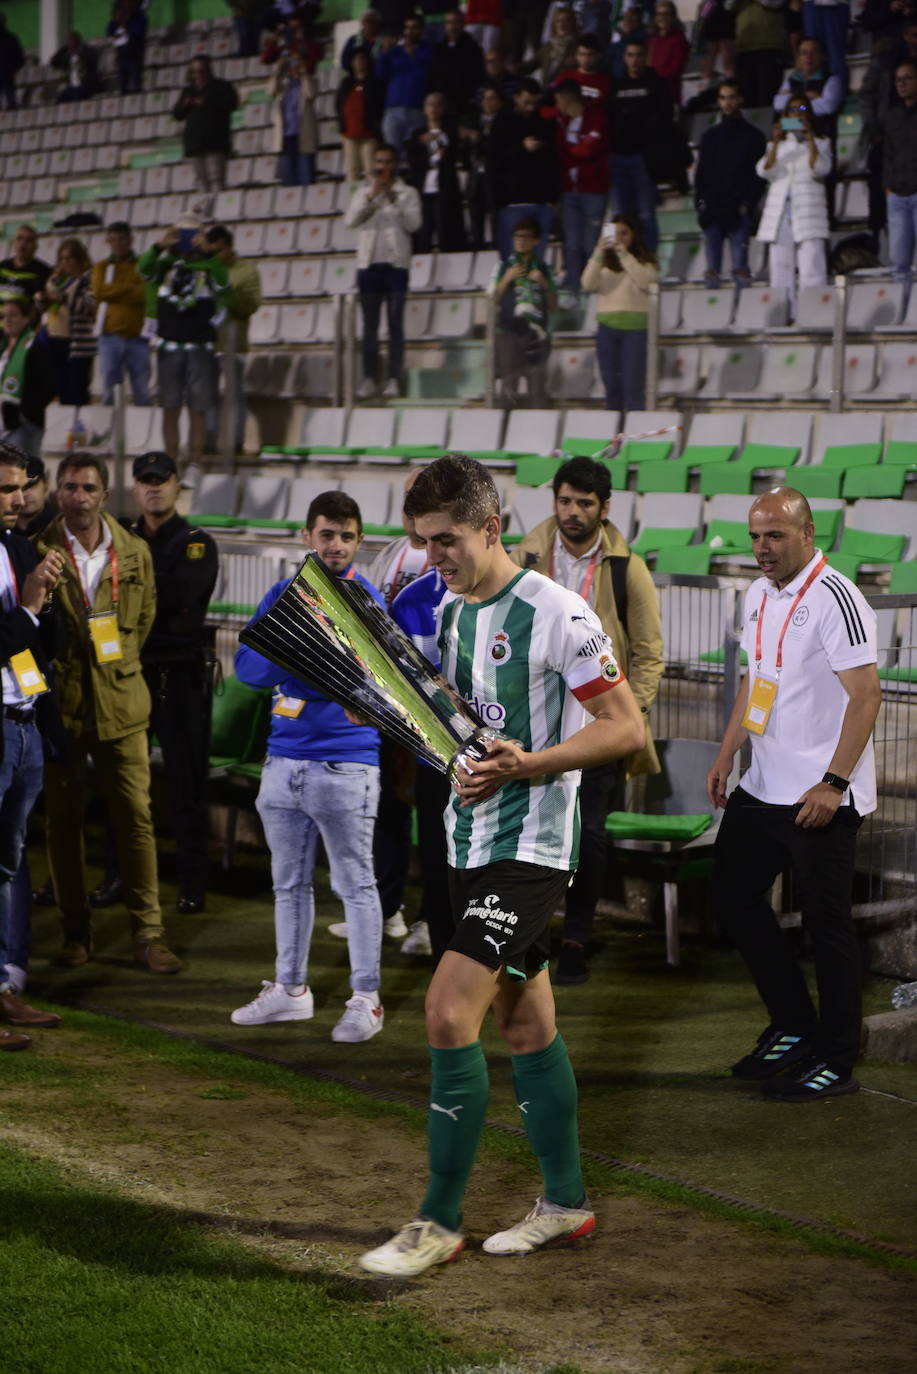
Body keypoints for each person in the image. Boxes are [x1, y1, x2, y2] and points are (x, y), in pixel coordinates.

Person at [359, 454, 645, 1278]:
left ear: (491, 526)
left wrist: (530, 764)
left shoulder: (559, 613)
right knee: (525, 1023)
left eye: (445, 539)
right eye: (420, 541)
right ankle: (565, 1204)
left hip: (531, 847)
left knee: (448, 1012)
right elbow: (425, 710)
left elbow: (624, 728)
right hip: (463, 840)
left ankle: (436, 1221)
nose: (432, 555)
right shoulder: (434, 606)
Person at [707, 487, 880, 1101]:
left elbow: (867, 697)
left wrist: (833, 783)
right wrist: (729, 750)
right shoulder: (759, 594)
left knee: (826, 926)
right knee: (731, 897)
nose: (762, 548)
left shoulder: (838, 599)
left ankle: (836, 1055)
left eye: (775, 536)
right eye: (755, 536)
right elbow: (759, 681)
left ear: (807, 533)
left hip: (819, 795)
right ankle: (794, 1024)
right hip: (763, 784)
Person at [233, 491, 386, 1044]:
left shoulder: (366, 600)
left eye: (347, 536)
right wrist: (298, 645)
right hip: (283, 760)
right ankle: (291, 992)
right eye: (327, 534)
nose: (337, 545)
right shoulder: (282, 594)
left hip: (347, 761)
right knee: (288, 884)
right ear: (307, 536)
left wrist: (293, 662)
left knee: (356, 885)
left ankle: (366, 999)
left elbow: (367, 683)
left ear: (359, 541)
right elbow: (246, 668)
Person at [510, 455, 663, 984]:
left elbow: (649, 655)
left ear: (605, 508)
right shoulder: (526, 556)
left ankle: (577, 936)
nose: (572, 512)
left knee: (589, 834)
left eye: (584, 503)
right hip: (533, 720)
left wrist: (625, 716)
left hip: (595, 727)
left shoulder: (627, 569)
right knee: (529, 828)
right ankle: (531, 933)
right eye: (565, 500)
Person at [35, 455, 181, 975]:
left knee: (136, 821)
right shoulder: (37, 550)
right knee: (63, 824)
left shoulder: (134, 551)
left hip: (123, 705)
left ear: (104, 493)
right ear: (57, 493)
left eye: (88, 487)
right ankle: (76, 934)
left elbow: (141, 625)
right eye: (69, 487)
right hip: (63, 707)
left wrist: (113, 662)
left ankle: (149, 933)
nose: (78, 496)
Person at [130, 453, 219, 914]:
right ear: (134, 487)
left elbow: (185, 600)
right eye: (145, 481)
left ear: (175, 486)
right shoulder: (121, 536)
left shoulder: (196, 542)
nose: (153, 489)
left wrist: (135, 584)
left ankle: (192, 883)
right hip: (132, 671)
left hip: (181, 677)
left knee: (187, 785)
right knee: (124, 785)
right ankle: (117, 878)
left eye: (160, 481)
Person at [0, 442, 67, 1045]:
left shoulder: (17, 547)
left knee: (7, 864)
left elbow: (45, 645)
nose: (19, 498)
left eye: (22, 487)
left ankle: (2, 987)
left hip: (24, 723)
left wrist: (44, 595)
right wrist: (29, 605)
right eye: (5, 489)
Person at [138, 220, 230, 476]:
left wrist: (210, 253)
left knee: (198, 408)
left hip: (200, 346)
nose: (187, 240)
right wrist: (159, 246)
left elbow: (224, 284)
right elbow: (143, 270)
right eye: (182, 235)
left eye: (192, 234)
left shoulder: (210, 266)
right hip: (169, 346)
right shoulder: (165, 265)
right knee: (170, 407)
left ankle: (195, 461)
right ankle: (170, 463)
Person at [344, 143, 422, 400]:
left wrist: (394, 202)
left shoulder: (407, 193)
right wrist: (370, 199)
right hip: (368, 267)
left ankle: (393, 379)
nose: (383, 167)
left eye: (388, 162)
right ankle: (368, 378)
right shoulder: (363, 192)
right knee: (369, 326)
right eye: (379, 162)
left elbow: (414, 224)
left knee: (395, 325)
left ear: (395, 165)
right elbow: (350, 221)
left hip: (397, 266)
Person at [756, 94, 831, 305]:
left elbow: (821, 169)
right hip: (781, 212)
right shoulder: (777, 145)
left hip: (808, 211)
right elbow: (764, 171)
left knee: (812, 265)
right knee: (780, 266)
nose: (797, 115)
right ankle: (783, 312)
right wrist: (775, 142)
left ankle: (813, 313)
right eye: (793, 111)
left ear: (810, 115)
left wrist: (809, 140)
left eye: (802, 110)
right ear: (786, 115)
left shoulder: (821, 142)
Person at [695, 79, 767, 287]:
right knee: (711, 274)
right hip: (712, 210)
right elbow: (702, 175)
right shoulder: (709, 137)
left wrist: (747, 205)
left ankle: (742, 314)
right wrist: (701, 205)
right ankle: (712, 318)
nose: (727, 103)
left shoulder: (754, 136)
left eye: (732, 97)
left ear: (740, 99)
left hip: (739, 211)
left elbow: (759, 178)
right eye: (723, 98)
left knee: (741, 272)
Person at [581, 215, 657, 412]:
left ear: (634, 235)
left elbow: (646, 282)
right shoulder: (603, 262)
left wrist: (624, 255)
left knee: (633, 388)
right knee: (611, 389)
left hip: (636, 329)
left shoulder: (646, 261)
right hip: (607, 328)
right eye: (615, 234)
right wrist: (598, 251)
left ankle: (634, 438)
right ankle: (614, 437)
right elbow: (588, 283)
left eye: (624, 233)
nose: (620, 238)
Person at [607, 40, 673, 252]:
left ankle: (649, 263)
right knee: (620, 216)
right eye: (630, 55)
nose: (634, 60)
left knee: (645, 214)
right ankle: (620, 264)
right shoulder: (616, 86)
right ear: (624, 58)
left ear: (645, 57)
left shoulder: (657, 84)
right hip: (618, 158)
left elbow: (665, 118)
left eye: (638, 55)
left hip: (644, 158)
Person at [204, 225, 262, 456]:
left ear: (229, 247)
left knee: (235, 395)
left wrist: (226, 298)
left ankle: (236, 442)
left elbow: (253, 304)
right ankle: (207, 441)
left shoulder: (246, 270)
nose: (216, 256)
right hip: (206, 342)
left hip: (233, 341)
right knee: (205, 395)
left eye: (220, 250)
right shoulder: (203, 269)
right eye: (212, 251)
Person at [488, 78, 561, 260]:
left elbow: (552, 159)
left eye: (534, 103)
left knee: (537, 258)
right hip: (513, 202)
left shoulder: (544, 122)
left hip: (541, 201)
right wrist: (521, 148)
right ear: (516, 97)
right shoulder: (502, 122)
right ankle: (512, 289)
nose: (530, 107)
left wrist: (552, 196)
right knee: (512, 259)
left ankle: (533, 288)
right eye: (526, 102)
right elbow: (495, 159)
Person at [490, 215, 558, 408]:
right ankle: (503, 431)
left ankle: (538, 431)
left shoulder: (544, 269)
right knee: (508, 386)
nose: (520, 241)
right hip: (509, 332)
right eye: (517, 237)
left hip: (536, 334)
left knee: (537, 388)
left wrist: (543, 283)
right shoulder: (502, 267)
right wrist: (506, 279)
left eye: (526, 237)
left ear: (536, 241)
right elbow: (492, 299)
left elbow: (553, 305)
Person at [555, 78, 609, 289]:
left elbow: (591, 150)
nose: (558, 106)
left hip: (594, 190)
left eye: (559, 101)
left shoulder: (596, 117)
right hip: (569, 192)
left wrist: (573, 153)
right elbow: (563, 154)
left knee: (591, 245)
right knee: (572, 246)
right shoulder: (561, 122)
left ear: (567, 100)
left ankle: (592, 289)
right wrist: (576, 151)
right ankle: (574, 291)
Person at [91, 221, 150, 407]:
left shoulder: (142, 264)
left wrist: (114, 291)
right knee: (109, 388)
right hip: (109, 335)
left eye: (122, 239)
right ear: (108, 241)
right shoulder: (102, 266)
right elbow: (99, 292)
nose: (118, 244)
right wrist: (129, 287)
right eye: (113, 239)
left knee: (141, 389)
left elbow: (145, 293)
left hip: (138, 336)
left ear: (130, 240)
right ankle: (109, 431)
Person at [406, 92, 469, 252]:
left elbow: (460, 154)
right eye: (430, 104)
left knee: (446, 230)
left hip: (445, 189)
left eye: (437, 104)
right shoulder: (417, 136)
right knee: (423, 232)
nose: (433, 108)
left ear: (443, 109)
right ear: (424, 109)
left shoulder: (452, 133)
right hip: (424, 190)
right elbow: (413, 161)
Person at [173, 55, 239, 201]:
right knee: (201, 180)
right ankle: (204, 211)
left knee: (216, 179)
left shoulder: (221, 86)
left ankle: (218, 209)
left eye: (201, 71)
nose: (198, 75)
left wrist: (208, 101)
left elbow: (232, 104)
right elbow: (177, 114)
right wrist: (186, 103)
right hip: (194, 143)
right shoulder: (188, 91)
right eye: (194, 72)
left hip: (215, 142)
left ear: (209, 70)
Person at [44, 238, 96, 409]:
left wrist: (64, 297)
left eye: (70, 258)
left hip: (77, 342)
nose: (65, 263)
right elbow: (46, 307)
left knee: (78, 389)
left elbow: (89, 306)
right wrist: (43, 299)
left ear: (80, 259)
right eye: (62, 258)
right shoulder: (57, 280)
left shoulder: (88, 279)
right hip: (55, 336)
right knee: (61, 388)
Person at [0, 300, 56, 459]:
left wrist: (25, 413)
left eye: (13, 315)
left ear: (26, 318)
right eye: (4, 316)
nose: (8, 320)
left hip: (24, 425)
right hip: (3, 423)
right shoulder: (2, 345)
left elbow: (49, 385)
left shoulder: (35, 346)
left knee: (22, 475)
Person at [376, 15, 433, 156]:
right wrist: (384, 52)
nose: (410, 31)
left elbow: (426, 73)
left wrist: (412, 55)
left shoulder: (428, 50)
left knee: (415, 155)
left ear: (421, 30)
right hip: (393, 110)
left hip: (416, 110)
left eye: (414, 28)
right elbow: (380, 75)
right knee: (391, 153)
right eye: (407, 27)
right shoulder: (395, 52)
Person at [882, 60, 917, 287]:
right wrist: (888, 187)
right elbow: (887, 153)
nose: (902, 84)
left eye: (907, 78)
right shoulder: (892, 114)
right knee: (898, 262)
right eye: (898, 80)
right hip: (896, 194)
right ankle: (904, 314)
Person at [460, 82, 505, 249]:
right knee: (475, 214)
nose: (488, 102)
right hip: (476, 174)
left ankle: (497, 247)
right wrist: (467, 140)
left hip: (495, 175)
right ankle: (476, 248)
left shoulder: (504, 121)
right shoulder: (474, 121)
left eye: (492, 98)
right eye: (485, 99)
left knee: (495, 215)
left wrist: (483, 139)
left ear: (500, 102)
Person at [773, 36, 842, 134]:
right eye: (804, 53)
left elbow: (828, 107)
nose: (808, 57)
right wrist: (808, 97)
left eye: (813, 52)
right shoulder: (791, 80)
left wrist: (793, 99)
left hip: (820, 134)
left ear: (822, 55)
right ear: (798, 57)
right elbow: (778, 105)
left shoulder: (832, 80)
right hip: (792, 135)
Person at [268, 49, 317, 187]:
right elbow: (270, 91)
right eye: (292, 61)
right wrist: (278, 70)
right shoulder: (283, 84)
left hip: (303, 136)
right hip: (285, 137)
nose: (294, 64)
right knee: (288, 180)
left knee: (306, 177)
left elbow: (311, 93)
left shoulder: (309, 80)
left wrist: (303, 73)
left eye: (298, 61)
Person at [337, 49, 384, 183]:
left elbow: (378, 107)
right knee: (351, 172)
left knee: (371, 171)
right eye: (356, 59)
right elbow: (339, 105)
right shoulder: (345, 83)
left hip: (369, 134)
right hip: (349, 135)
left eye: (362, 58)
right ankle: (354, 202)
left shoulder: (375, 83)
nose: (359, 62)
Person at [428, 10, 486, 117]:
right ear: (445, 25)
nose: (452, 26)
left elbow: (478, 75)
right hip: (443, 105)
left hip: (465, 104)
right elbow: (433, 74)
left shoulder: (472, 48)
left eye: (456, 22)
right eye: (449, 22)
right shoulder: (439, 48)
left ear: (463, 24)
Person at [733, 0, 788, 110]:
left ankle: (771, 126)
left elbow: (775, 3)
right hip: (744, 49)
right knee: (746, 100)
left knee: (767, 98)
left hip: (770, 47)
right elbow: (728, 6)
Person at [522, 4, 580, 83]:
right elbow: (530, 66)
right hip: (547, 90)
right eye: (558, 21)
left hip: (567, 91)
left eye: (566, 20)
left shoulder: (578, 46)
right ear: (554, 25)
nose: (562, 24)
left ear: (573, 23)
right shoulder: (548, 46)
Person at [647, 0, 690, 104]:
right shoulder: (651, 40)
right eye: (659, 14)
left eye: (666, 13)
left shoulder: (679, 40)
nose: (662, 17)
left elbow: (675, 69)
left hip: (669, 93)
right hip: (650, 94)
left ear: (673, 16)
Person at [801, 0, 848, 95]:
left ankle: (837, 94)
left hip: (836, 4)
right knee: (811, 52)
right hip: (810, 4)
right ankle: (813, 93)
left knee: (836, 55)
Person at [550, 32, 611, 104]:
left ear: (599, 55)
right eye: (582, 54)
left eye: (590, 54)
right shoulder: (563, 78)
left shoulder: (606, 82)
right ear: (576, 55)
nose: (586, 59)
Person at [0, 226, 52, 304]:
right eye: (19, 239)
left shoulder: (44, 272)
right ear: (13, 242)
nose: (23, 244)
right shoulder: (2, 267)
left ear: (35, 246)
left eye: (29, 240)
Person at [107, 0, 147, 95]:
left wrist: (126, 23)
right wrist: (117, 21)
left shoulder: (139, 17)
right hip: (122, 57)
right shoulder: (116, 22)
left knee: (136, 84)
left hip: (134, 55)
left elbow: (137, 33)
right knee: (122, 86)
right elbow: (110, 32)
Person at [51, 31, 102, 103]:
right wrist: (63, 49)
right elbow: (53, 63)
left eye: (72, 40)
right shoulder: (67, 56)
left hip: (86, 85)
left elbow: (93, 58)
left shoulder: (86, 51)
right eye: (68, 41)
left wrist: (78, 53)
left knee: (77, 94)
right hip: (72, 86)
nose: (70, 42)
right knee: (59, 99)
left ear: (78, 40)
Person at [16, 458, 56, 540]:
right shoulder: (3, 529)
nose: (25, 494)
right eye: (18, 487)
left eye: (31, 486)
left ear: (46, 487)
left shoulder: (60, 526)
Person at [606, 7, 648, 83]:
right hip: (616, 83)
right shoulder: (616, 42)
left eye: (632, 19)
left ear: (638, 22)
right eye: (625, 19)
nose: (627, 22)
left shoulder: (646, 41)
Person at [698, 0, 736, 82]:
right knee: (709, 62)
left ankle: (730, 87)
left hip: (726, 18)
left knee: (728, 59)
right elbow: (703, 15)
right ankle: (705, 89)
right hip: (711, 18)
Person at [0, 15, 25, 111]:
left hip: (7, 73)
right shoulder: (11, 38)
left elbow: (19, 57)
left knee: (10, 99)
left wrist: (11, 69)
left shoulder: (11, 38)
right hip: (7, 72)